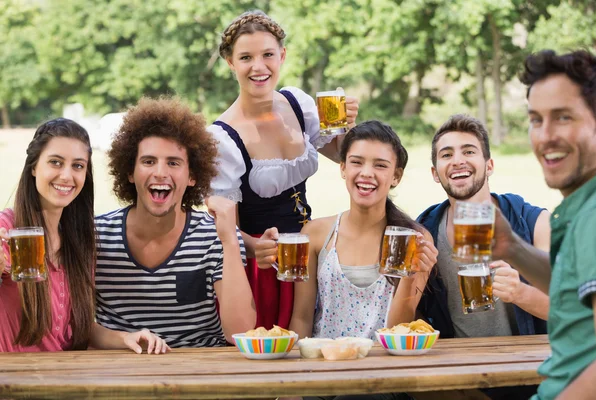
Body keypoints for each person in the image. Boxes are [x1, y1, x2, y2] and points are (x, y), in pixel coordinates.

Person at [209, 10, 359, 330]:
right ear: (231, 63)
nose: (258, 66)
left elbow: (340, 154)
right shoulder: (222, 137)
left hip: (310, 257)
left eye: (268, 55)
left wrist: (346, 126)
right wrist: (256, 246)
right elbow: (223, 228)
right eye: (246, 57)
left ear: (282, 55)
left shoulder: (297, 103)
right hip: (262, 270)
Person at [94, 97, 256, 348]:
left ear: (192, 176)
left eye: (173, 162)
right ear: (129, 172)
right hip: (123, 375)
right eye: (148, 161)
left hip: (199, 373)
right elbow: (77, 324)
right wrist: (122, 339)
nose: (160, 172)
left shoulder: (213, 236)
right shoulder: (97, 235)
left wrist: (229, 242)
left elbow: (241, 332)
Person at [0, 118, 167, 353]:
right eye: (56, 162)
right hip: (14, 382)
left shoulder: (78, 240)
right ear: (34, 167)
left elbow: (79, 328)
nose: (67, 176)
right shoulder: (8, 229)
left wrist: (125, 338)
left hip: (65, 379)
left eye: (78, 166)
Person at [491, 50, 596, 400]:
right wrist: (512, 248)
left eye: (563, 117)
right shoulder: (583, 206)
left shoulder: (595, 216)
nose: (546, 136)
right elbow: (573, 287)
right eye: (536, 120)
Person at [279, 120, 437, 340]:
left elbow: (399, 329)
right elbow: (302, 317)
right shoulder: (315, 234)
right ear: (343, 168)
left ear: (396, 176)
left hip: (385, 367)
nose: (366, 173)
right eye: (357, 162)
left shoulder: (412, 239)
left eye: (380, 165)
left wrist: (411, 276)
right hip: (326, 365)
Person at [416, 114, 550, 341]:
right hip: (456, 371)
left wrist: (520, 293)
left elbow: (573, 308)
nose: (457, 161)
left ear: (489, 166)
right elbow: (413, 317)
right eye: (447, 154)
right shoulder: (425, 232)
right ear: (435, 173)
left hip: (532, 371)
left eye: (469, 151)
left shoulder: (535, 222)